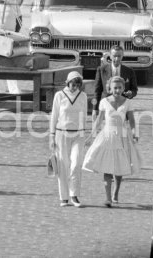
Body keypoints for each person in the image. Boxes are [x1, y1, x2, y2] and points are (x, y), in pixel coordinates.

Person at [83, 76, 141, 208]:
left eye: (120, 87)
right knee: (107, 167)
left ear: (123, 88)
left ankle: (116, 193)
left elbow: (131, 120)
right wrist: (91, 135)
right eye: (115, 88)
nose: (117, 90)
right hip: (107, 136)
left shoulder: (127, 102)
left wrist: (134, 132)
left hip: (122, 136)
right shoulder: (104, 101)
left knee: (119, 169)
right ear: (110, 88)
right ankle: (108, 197)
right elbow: (99, 120)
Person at [49, 71, 88, 208]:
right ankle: (63, 197)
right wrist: (52, 136)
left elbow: (84, 116)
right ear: (68, 82)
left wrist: (84, 133)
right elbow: (54, 116)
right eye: (72, 83)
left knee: (76, 163)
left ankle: (74, 194)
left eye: (77, 84)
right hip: (62, 134)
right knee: (63, 165)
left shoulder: (83, 96)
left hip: (78, 134)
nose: (74, 86)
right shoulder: (59, 95)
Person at [92, 45, 138, 122]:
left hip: (122, 108)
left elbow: (134, 89)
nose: (117, 59)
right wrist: (94, 109)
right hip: (106, 107)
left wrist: (131, 93)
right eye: (114, 56)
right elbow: (97, 91)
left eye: (119, 56)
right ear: (110, 56)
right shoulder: (101, 70)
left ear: (122, 56)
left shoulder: (129, 71)